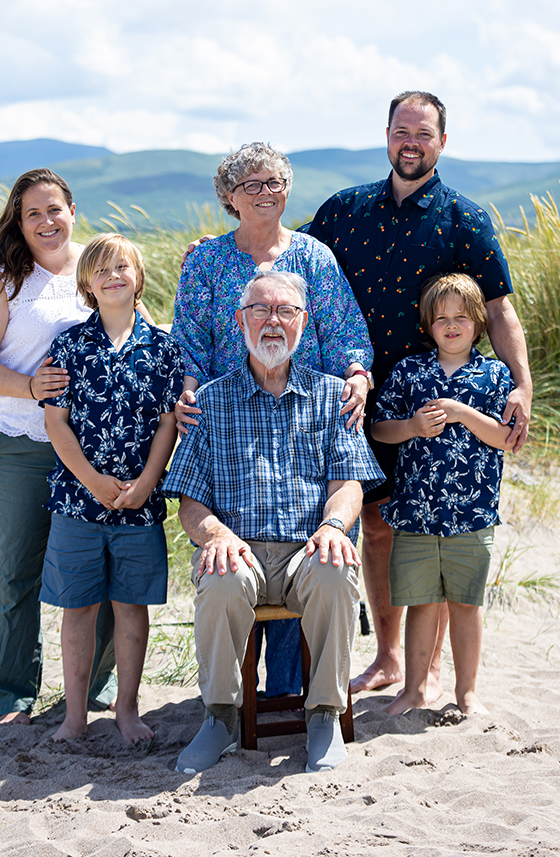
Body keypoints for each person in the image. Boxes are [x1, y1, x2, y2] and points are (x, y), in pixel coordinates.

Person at [302, 91, 532, 696]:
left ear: (442, 143)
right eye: (402, 131)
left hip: (440, 404)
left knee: (434, 532)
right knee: (376, 527)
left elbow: (501, 311)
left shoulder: (465, 219)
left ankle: (432, 667)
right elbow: (283, 253)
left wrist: (523, 387)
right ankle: (389, 658)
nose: (412, 142)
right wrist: (215, 249)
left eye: (424, 134)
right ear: (386, 135)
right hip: (357, 398)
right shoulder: (343, 210)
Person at [171, 141, 374, 698]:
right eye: (251, 185)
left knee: (317, 549)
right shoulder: (206, 260)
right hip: (230, 422)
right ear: (230, 197)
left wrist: (356, 373)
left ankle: (290, 695)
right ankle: (231, 703)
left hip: (308, 424)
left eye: (274, 182)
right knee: (235, 556)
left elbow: (345, 330)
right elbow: (187, 337)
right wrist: (190, 386)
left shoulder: (314, 257)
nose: (265, 193)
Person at [163, 271, 384, 775]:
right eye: (260, 310)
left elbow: (349, 482)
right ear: (240, 320)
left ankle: (324, 714)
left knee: (335, 570)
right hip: (241, 550)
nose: (272, 322)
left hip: (307, 551)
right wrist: (215, 535)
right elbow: (190, 502)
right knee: (219, 576)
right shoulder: (210, 403)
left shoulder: (334, 397)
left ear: (303, 323)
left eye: (285, 311)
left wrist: (332, 527)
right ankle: (219, 718)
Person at [0, 169, 118, 724]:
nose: (46, 222)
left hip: (86, 447)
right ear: (18, 223)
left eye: (54, 210)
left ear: (73, 210)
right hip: (14, 446)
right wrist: (27, 386)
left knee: (100, 566)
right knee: (15, 571)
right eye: (33, 214)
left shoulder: (95, 267)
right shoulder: (0, 278)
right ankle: (11, 695)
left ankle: (93, 689)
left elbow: (135, 327)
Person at [40, 233, 182, 744]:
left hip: (139, 506)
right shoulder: (69, 346)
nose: (112, 276)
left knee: (130, 606)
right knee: (77, 608)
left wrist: (147, 482)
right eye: (101, 270)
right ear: (87, 285)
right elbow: (57, 423)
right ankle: (74, 716)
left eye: (122, 267)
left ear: (138, 278)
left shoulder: (165, 348)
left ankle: (126, 710)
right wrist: (94, 481)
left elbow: (168, 422)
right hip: (77, 501)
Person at [371, 272, 512, 716]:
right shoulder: (410, 372)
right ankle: (413, 690)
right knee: (421, 604)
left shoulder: (494, 375)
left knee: (466, 605)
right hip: (415, 511)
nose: (452, 325)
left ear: (478, 322)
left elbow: (505, 438)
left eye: (462, 317)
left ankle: (466, 693)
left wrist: (461, 412)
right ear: (428, 324)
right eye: (441, 318)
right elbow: (380, 428)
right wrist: (413, 426)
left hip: (472, 514)